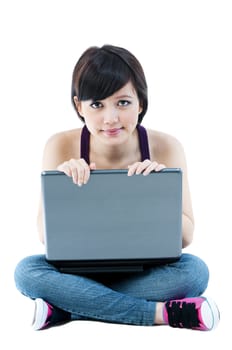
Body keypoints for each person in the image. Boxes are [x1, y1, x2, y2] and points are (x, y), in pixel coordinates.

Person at [14, 44, 220, 331]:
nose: (110, 118)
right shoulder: (59, 145)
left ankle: (67, 308)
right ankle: (163, 314)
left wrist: (156, 196)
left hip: (143, 273)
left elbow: (186, 237)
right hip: (77, 271)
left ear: (141, 104)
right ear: (79, 106)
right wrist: (64, 187)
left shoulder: (166, 147)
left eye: (122, 103)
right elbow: (45, 236)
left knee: (194, 272)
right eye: (97, 105)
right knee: (26, 271)